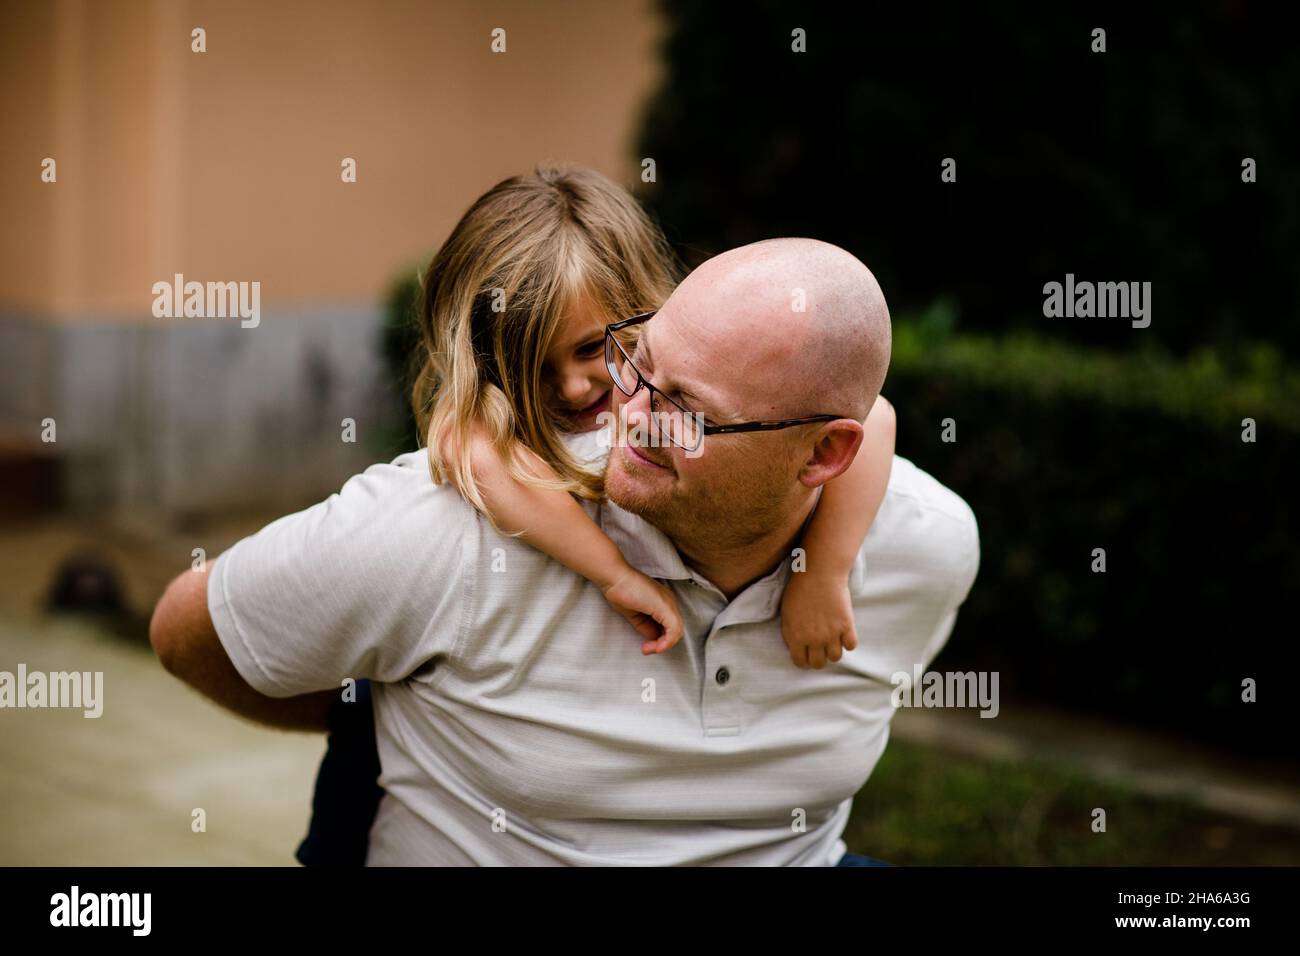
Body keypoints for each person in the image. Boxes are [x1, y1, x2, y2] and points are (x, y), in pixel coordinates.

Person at [151, 228, 979, 865]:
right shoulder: (449, 529)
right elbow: (191, 629)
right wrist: (384, 715)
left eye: (685, 407)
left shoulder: (926, 548)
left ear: (826, 454)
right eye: (636, 358)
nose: (626, 412)